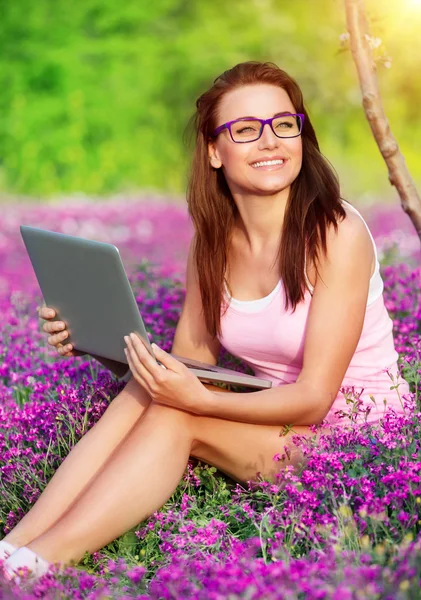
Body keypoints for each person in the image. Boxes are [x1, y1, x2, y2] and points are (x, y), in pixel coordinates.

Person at [1, 61, 410, 584]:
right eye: (246, 129)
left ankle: (38, 565)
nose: (270, 141)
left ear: (301, 134)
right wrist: (98, 344)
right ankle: (13, 547)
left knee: (180, 414)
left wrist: (202, 401)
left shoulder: (335, 232)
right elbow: (189, 362)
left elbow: (314, 398)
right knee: (149, 395)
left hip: (356, 440)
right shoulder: (211, 241)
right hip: (273, 418)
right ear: (215, 151)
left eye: (284, 124)